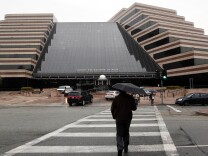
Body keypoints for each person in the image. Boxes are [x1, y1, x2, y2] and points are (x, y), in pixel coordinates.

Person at [111, 90, 137, 156]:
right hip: (127, 118)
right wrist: (135, 102)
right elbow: (134, 108)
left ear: (119, 91)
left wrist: (114, 116)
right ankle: (126, 147)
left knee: (119, 134)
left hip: (119, 118)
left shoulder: (116, 98)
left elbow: (112, 108)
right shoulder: (130, 98)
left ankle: (120, 149)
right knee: (126, 132)